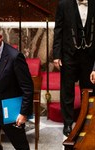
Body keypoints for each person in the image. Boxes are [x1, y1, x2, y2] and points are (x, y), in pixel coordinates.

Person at [0, 22, 34, 150]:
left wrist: (23, 112)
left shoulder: (14, 56)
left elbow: (27, 87)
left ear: (0, 37)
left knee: (21, 147)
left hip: (11, 113)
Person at [53, 0, 95, 137]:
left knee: (88, 89)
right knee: (67, 90)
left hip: (89, 55)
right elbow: (58, 29)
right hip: (68, 54)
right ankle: (67, 124)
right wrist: (56, 55)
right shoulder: (64, 4)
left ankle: (86, 121)